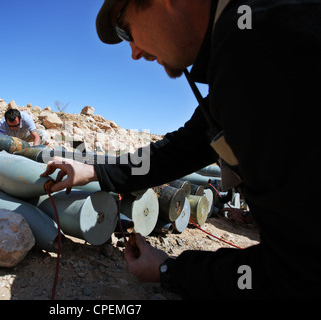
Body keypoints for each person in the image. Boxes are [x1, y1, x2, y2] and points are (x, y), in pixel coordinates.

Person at [42, 0, 321, 299]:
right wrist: (96, 170)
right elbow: (183, 148)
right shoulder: (247, 38)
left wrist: (169, 271)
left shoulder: (255, 43)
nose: (134, 52)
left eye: (126, 31)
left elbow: (297, 273)